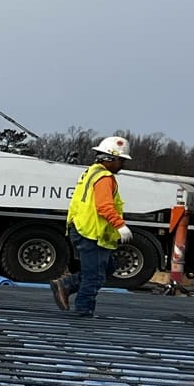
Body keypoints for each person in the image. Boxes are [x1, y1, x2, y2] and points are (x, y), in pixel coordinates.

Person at [54, 135, 132, 318]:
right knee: (94, 276)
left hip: (87, 230)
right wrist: (120, 225)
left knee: (106, 268)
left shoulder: (92, 172)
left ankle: (67, 285)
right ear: (111, 158)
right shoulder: (104, 177)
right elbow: (104, 206)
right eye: (121, 160)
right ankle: (83, 311)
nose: (122, 165)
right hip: (91, 232)